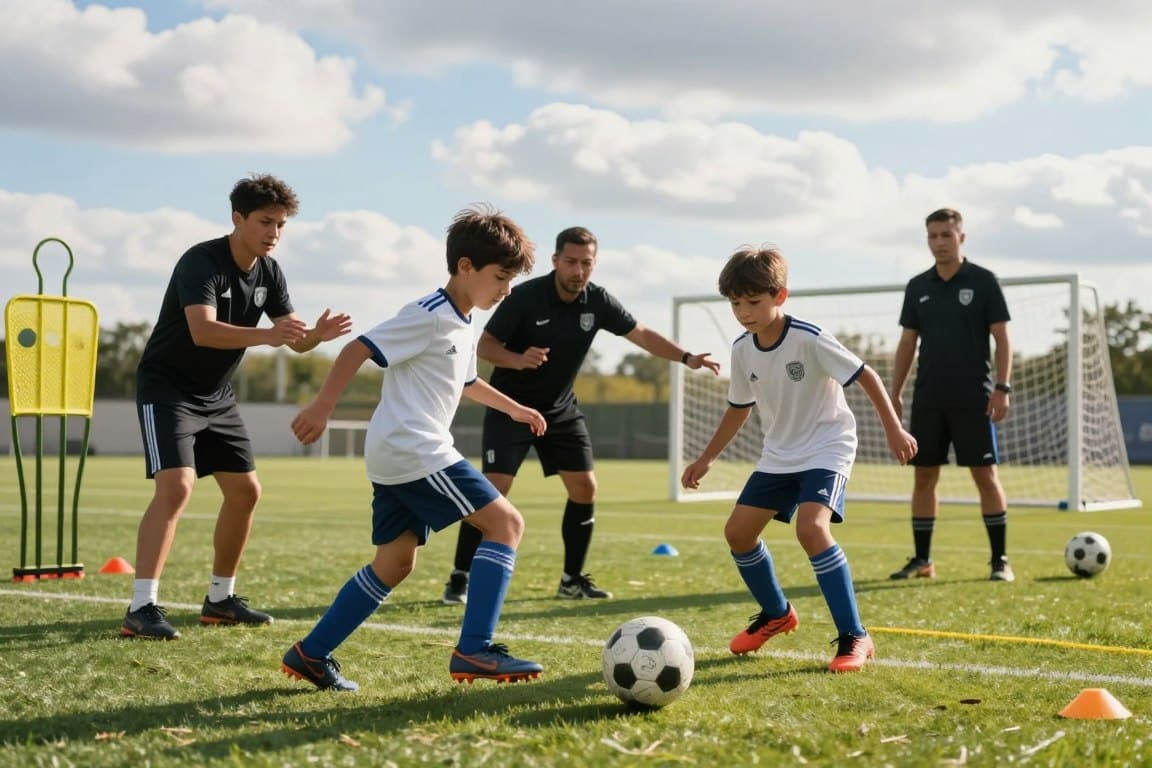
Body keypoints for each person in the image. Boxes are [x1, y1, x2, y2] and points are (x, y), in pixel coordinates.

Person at [280, 205, 545, 692]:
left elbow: (466, 382)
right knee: (506, 524)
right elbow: (357, 349)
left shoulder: (463, 323)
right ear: (465, 267)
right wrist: (322, 407)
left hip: (396, 455)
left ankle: (310, 654)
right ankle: (475, 650)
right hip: (415, 448)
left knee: (395, 563)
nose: (506, 289)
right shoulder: (428, 315)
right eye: (500, 276)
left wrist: (514, 409)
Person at [121, 174, 353, 640]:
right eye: (266, 222)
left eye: (282, 225)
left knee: (246, 492)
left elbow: (294, 341)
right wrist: (268, 335)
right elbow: (203, 331)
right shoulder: (200, 261)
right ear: (238, 219)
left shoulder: (270, 271)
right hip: (168, 389)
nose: (274, 233)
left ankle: (220, 599)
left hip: (217, 396)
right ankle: (141, 607)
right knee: (176, 488)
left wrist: (314, 337)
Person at [439, 226, 721, 606]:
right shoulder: (525, 297)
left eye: (586, 263)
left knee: (585, 488)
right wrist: (518, 360)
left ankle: (572, 580)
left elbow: (640, 334)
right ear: (556, 261)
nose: (578, 270)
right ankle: (460, 577)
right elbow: (486, 345)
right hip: (511, 407)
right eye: (570, 261)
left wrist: (686, 357)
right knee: (493, 492)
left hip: (561, 409)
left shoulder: (597, 301)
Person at [681, 245, 917, 672]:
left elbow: (867, 376)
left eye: (753, 302)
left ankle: (855, 636)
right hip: (779, 453)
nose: (744, 311)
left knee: (811, 529)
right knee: (738, 533)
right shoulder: (742, 348)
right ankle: (777, 614)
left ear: (780, 296)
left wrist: (894, 429)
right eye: (736, 303)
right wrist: (706, 459)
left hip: (828, 445)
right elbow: (739, 407)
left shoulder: (808, 338)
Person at [887, 208, 1014, 582]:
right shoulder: (918, 286)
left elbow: (1002, 338)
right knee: (923, 477)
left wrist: (1002, 388)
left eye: (946, 234)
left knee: (985, 476)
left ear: (961, 236)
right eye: (933, 236)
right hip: (929, 398)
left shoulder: (984, 281)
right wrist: (895, 391)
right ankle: (923, 561)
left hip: (975, 397)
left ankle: (999, 561)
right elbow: (907, 341)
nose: (939, 242)